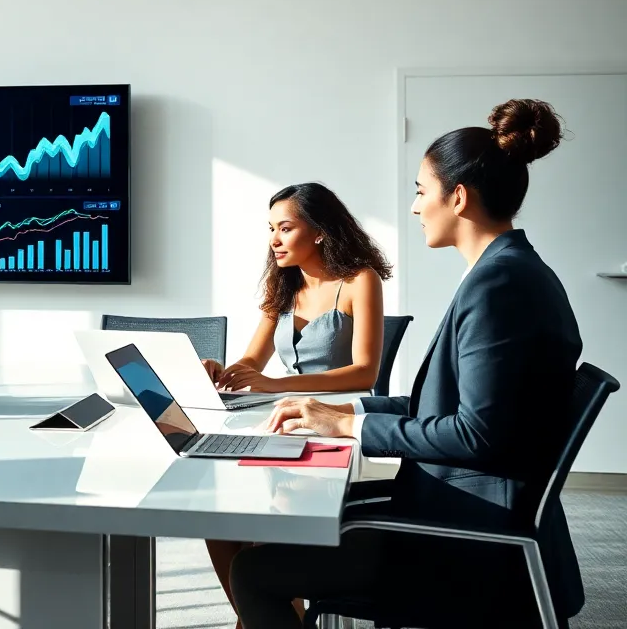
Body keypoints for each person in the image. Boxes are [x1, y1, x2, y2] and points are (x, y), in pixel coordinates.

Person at [230, 99, 583, 628]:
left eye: (421, 191)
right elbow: (450, 407)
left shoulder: (499, 285)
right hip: (462, 509)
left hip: (464, 539)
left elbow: (478, 435)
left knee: (253, 573)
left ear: (458, 198)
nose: (416, 208)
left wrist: (353, 424)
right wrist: (339, 413)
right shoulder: (510, 271)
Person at [201, 182, 392, 621]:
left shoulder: (359, 280)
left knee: (262, 534)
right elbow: (254, 358)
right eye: (271, 229)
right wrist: (225, 370)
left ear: (320, 231)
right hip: (284, 420)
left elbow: (366, 372)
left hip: (335, 427)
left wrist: (273, 386)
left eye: (285, 228)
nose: (274, 240)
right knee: (217, 523)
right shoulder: (283, 284)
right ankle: (267, 619)